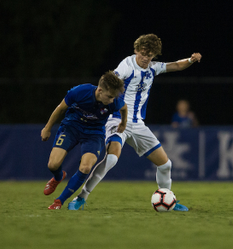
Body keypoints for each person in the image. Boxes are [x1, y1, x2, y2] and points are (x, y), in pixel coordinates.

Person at [68, 33, 202, 211]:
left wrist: (191, 60)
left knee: (165, 164)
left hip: (138, 124)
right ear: (136, 50)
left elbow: (176, 65)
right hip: (118, 120)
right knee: (111, 160)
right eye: (143, 53)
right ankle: (81, 198)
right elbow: (109, 81)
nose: (146, 58)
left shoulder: (153, 68)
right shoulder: (127, 65)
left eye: (150, 55)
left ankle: (168, 200)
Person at [41, 71, 127, 210]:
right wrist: (47, 128)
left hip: (94, 133)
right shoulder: (80, 91)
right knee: (52, 165)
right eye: (109, 97)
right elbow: (61, 108)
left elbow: (123, 107)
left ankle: (59, 201)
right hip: (71, 127)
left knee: (86, 167)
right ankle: (58, 177)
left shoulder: (114, 101)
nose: (112, 100)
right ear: (99, 90)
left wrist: (123, 123)